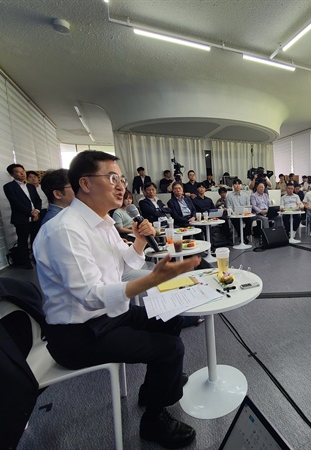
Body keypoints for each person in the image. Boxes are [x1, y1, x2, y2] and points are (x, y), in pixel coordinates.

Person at [33, 150, 199, 448]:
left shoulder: (104, 222)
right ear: (85, 183)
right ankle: (153, 423)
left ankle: (152, 392)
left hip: (108, 317)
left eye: (121, 178)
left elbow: (122, 267)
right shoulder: (65, 230)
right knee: (170, 348)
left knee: (168, 318)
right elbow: (89, 296)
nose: (121, 185)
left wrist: (138, 241)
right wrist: (152, 280)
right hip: (77, 334)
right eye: (112, 178)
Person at [3, 163, 42, 269]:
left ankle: (37, 259)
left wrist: (37, 211)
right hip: (21, 218)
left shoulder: (30, 186)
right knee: (23, 241)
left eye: (23, 171)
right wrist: (31, 212)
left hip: (36, 217)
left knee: (36, 239)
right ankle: (26, 263)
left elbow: (38, 200)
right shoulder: (8, 187)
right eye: (18, 172)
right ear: (12, 174)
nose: (22, 173)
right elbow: (15, 203)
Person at [226, 178, 253, 244]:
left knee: (250, 220)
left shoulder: (246, 195)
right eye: (236, 184)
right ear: (233, 185)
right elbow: (228, 207)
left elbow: (248, 205)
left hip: (244, 215)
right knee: (236, 221)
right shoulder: (229, 196)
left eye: (239, 184)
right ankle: (244, 237)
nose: (237, 186)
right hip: (234, 215)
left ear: (241, 186)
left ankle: (243, 236)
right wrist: (232, 212)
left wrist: (246, 211)